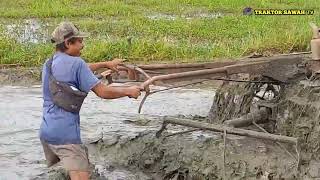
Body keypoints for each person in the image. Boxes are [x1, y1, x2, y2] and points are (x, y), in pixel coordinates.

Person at [40, 22, 142, 180]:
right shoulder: (77, 64)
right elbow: (103, 92)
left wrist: (104, 64)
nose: (83, 45)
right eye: (79, 41)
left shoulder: (49, 64)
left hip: (47, 133)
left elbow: (81, 68)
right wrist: (129, 91)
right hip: (66, 135)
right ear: (68, 43)